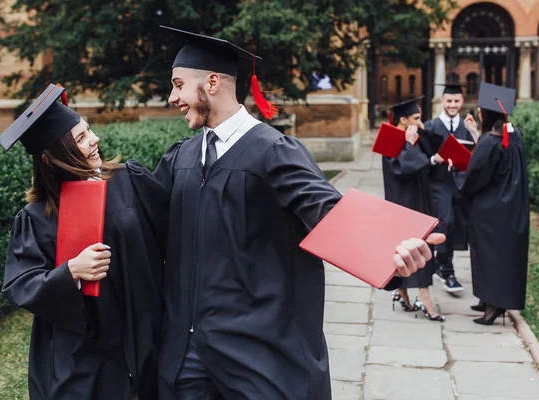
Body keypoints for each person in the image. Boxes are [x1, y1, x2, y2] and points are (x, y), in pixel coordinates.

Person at [153, 26, 445, 400]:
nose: (172, 97)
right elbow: (140, 213)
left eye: (178, 85)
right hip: (189, 356)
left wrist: (391, 248)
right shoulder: (183, 157)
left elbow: (327, 209)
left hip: (254, 352)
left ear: (211, 83)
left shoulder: (272, 150)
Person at [0, 84, 168, 399]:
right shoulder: (36, 217)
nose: (95, 140)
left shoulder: (130, 180)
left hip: (145, 336)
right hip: (83, 356)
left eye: (88, 130)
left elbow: (176, 229)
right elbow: (21, 283)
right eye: (80, 138)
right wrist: (71, 271)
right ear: (51, 159)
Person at [449, 82, 529, 326]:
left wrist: (455, 170)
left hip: (490, 211)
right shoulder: (511, 135)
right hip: (511, 207)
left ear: (484, 114)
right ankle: (489, 299)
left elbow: (473, 179)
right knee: (500, 257)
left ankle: (493, 308)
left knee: (489, 256)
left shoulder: (490, 143)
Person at [381, 97, 445, 322]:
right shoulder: (389, 137)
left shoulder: (414, 134)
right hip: (403, 204)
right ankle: (416, 296)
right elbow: (401, 170)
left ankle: (404, 295)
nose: (420, 122)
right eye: (416, 118)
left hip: (420, 200)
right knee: (410, 248)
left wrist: (420, 135)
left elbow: (429, 158)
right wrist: (409, 144)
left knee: (421, 245)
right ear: (403, 119)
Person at [425, 83, 473, 293]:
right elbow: (422, 159)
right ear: (442, 101)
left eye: (456, 101)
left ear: (462, 102)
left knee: (456, 227)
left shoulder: (467, 127)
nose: (453, 105)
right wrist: (436, 159)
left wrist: (474, 133)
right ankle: (447, 270)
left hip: (459, 186)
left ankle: (438, 264)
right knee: (444, 223)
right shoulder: (430, 127)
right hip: (438, 184)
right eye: (449, 101)